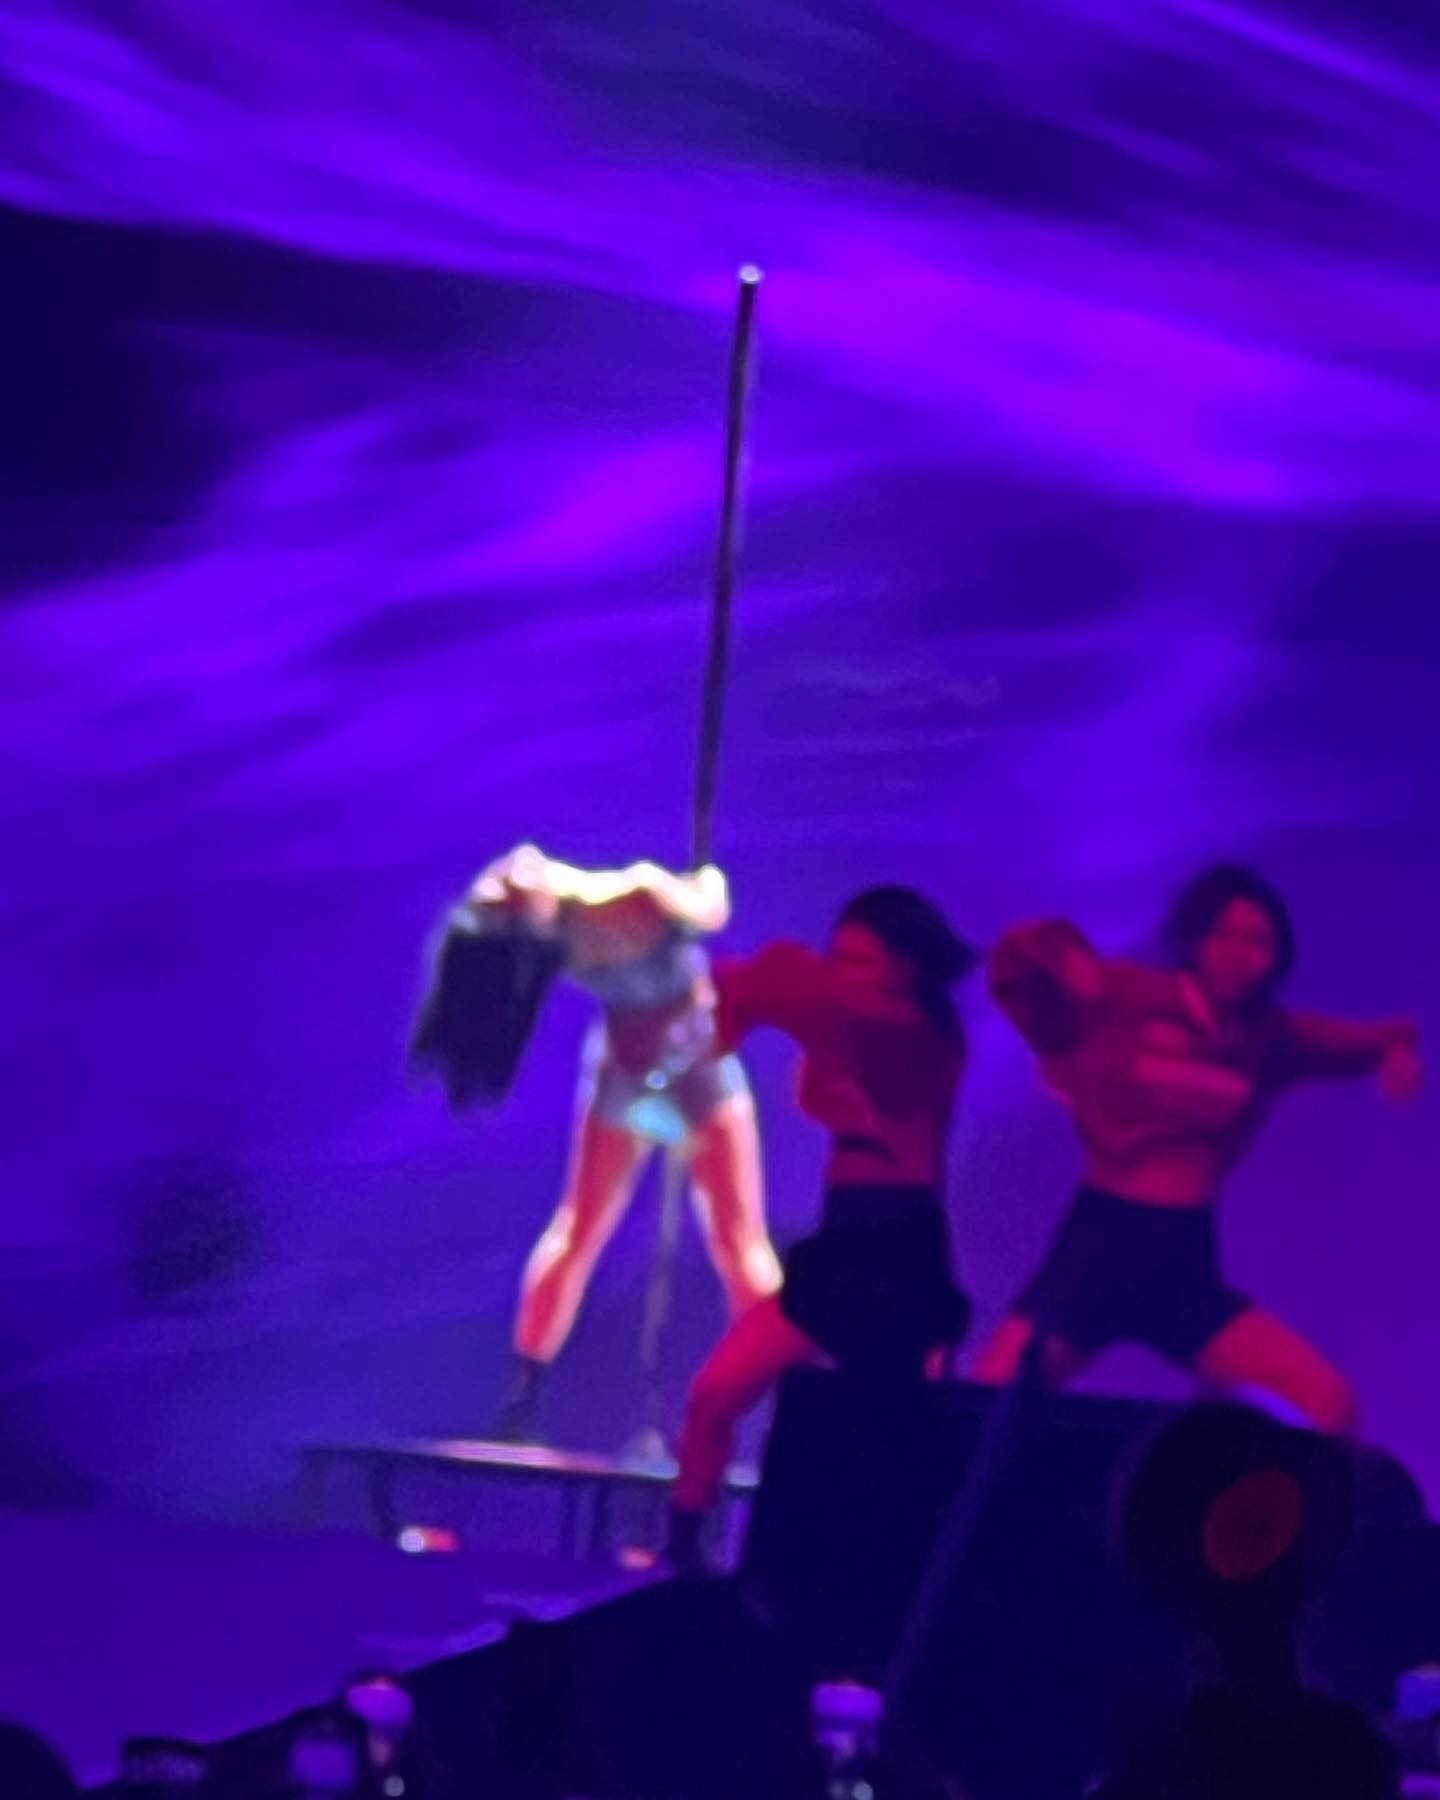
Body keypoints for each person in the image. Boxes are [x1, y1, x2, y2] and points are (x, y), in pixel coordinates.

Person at [972, 864, 1422, 1431]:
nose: (1238, 955)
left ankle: (1244, 1487)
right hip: (1096, 1251)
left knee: (1328, 1404)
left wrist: (1397, 1054)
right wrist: (1066, 957)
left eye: (1258, 942)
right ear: (1196, 938)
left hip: (1181, 1265)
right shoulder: (1130, 996)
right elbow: (1015, 961)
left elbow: (1375, 1038)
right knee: (983, 1407)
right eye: (1224, 934)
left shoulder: (1268, 1037)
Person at [413, 845, 780, 1440]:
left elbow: (705, 912)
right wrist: (700, 882)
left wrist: (686, 890)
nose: (514, 870)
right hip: (660, 1073)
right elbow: (713, 908)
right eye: (507, 893)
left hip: (667, 1071)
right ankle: (521, 1401)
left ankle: (781, 1386)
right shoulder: (613, 902)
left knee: (730, 1244)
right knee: (594, 1233)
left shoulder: (594, 912)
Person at [666, 886, 977, 1567]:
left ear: (904, 968)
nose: (843, 975)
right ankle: (682, 1555)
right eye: (839, 959)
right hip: (841, 1251)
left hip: (901, 1260)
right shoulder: (850, 1027)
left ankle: (892, 1577)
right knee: (716, 1393)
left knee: (892, 1439)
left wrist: (749, 986)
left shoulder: (917, 1034)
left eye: (859, 962)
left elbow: (792, 986)